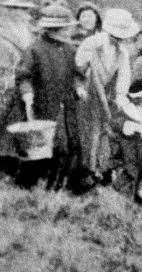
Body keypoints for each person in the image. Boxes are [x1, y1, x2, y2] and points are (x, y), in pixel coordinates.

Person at [16, 5, 82, 190]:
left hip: (66, 106)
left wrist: (78, 87)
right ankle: (28, 187)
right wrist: (27, 94)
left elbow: (77, 73)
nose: (69, 30)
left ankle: (55, 187)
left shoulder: (69, 49)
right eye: (66, 27)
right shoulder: (34, 49)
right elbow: (23, 76)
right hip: (42, 105)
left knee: (65, 147)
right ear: (55, 29)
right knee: (40, 148)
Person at [75, 8, 139, 185]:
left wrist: (120, 98)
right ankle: (85, 172)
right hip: (87, 96)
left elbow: (124, 79)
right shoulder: (91, 44)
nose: (119, 39)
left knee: (105, 133)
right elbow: (77, 71)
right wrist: (80, 88)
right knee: (88, 134)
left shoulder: (122, 51)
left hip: (107, 97)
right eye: (115, 36)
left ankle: (100, 170)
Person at [0, 0, 37, 177]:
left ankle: (8, 167)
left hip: (20, 88)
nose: (23, 12)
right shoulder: (4, 32)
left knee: (14, 127)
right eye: (16, 8)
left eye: (24, 9)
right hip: (5, 87)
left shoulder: (27, 31)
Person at [111, 79, 142, 199]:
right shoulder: (128, 110)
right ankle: (116, 191)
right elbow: (115, 122)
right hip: (129, 145)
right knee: (132, 170)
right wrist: (127, 126)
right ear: (141, 97)